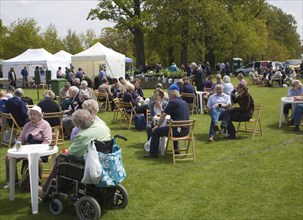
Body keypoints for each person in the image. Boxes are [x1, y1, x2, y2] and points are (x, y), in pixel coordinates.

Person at [39, 109, 111, 198]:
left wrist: (67, 152)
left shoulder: (82, 135)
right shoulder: (102, 126)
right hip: (104, 159)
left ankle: (45, 191)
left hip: (89, 164)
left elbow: (72, 154)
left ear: (77, 124)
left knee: (60, 160)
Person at [4, 106, 52, 189]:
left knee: (37, 160)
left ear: (40, 115)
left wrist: (37, 150)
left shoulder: (45, 125)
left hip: (40, 150)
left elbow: (47, 141)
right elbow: (20, 139)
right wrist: (16, 148)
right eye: (31, 114)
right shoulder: (27, 125)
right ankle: (13, 181)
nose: (32, 116)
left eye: (34, 114)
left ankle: (37, 184)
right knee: (9, 158)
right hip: (26, 149)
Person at [144, 90, 189, 158]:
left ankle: (153, 154)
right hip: (186, 130)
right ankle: (176, 150)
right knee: (173, 127)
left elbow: (163, 115)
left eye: (169, 97)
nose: (169, 99)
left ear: (172, 96)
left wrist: (157, 126)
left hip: (176, 130)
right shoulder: (185, 102)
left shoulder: (173, 102)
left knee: (156, 131)